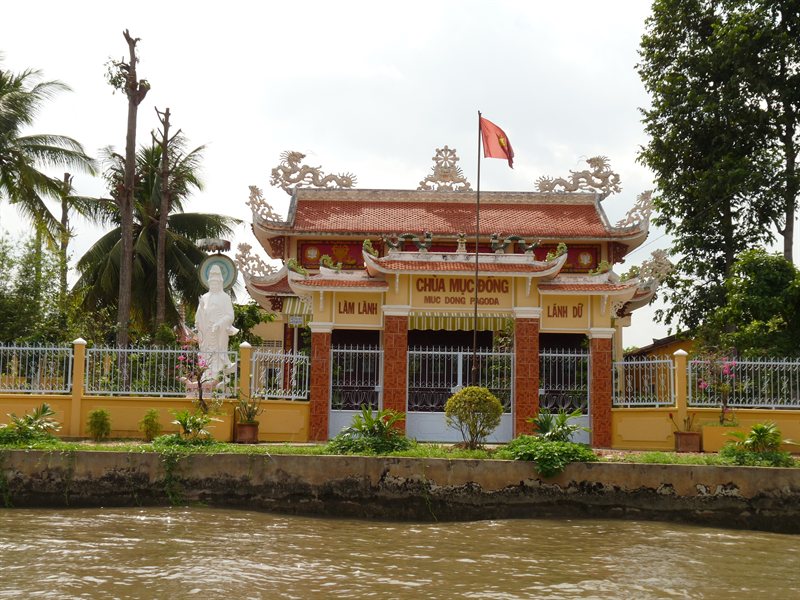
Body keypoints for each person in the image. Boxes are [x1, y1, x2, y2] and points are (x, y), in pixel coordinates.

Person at [196, 265, 239, 383]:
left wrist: (219, 324)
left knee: (219, 354)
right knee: (207, 354)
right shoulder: (204, 297)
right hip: (207, 331)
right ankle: (207, 376)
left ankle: (219, 377)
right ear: (209, 283)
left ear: (220, 283)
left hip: (220, 331)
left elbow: (230, 316)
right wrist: (202, 309)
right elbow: (198, 318)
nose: (214, 285)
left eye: (216, 283)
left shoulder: (225, 298)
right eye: (212, 283)